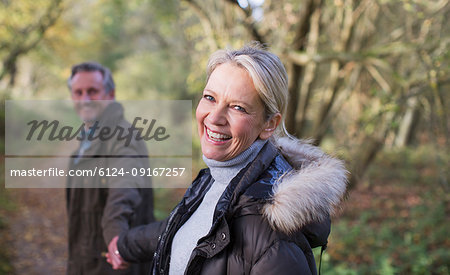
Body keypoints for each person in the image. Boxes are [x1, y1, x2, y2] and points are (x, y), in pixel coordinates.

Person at [111, 43, 348, 274]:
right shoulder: (218, 178)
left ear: (269, 125)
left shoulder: (273, 233)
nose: (214, 118)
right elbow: (187, 228)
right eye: (210, 98)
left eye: (237, 107)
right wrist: (124, 246)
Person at [66, 62, 155, 274]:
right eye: (78, 92)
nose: (85, 99)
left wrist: (116, 236)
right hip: (85, 261)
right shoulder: (88, 138)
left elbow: (124, 188)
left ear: (111, 93)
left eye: (93, 91)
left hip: (112, 264)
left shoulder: (123, 138)